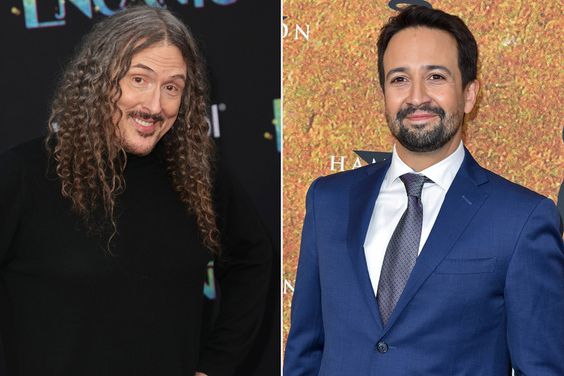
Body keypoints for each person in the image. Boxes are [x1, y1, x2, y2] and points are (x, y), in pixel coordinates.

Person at [284, 5, 563, 375]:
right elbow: (306, 350)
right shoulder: (328, 201)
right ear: (383, 93)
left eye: (435, 77)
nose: (416, 97)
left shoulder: (521, 219)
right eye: (399, 79)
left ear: (469, 94)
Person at [0, 6, 271, 376]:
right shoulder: (25, 173)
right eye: (139, 80)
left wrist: (215, 366)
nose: (155, 105)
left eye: (172, 87)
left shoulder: (196, 175)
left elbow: (253, 259)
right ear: (99, 80)